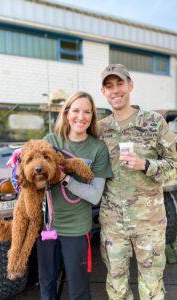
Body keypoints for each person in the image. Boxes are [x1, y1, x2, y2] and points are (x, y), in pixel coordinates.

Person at [99, 64, 177, 300]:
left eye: (120, 84)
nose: (115, 90)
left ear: (130, 86)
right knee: (117, 287)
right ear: (103, 92)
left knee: (152, 287)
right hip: (113, 225)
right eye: (109, 86)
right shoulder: (101, 129)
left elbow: (176, 166)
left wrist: (146, 165)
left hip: (149, 223)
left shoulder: (154, 122)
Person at [36, 91, 113, 300]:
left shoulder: (97, 149)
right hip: (48, 227)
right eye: (76, 110)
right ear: (67, 112)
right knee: (47, 283)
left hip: (77, 231)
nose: (81, 116)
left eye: (87, 111)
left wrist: (64, 178)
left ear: (92, 116)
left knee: (78, 289)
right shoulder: (50, 140)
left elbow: (95, 195)